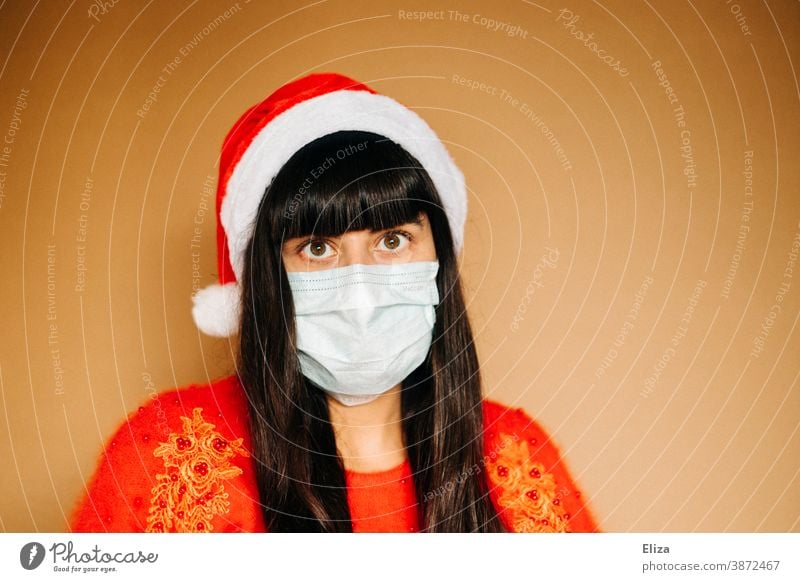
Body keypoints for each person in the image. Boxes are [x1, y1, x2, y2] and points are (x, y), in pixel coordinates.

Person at [69, 72, 599, 533]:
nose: (360, 288)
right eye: (317, 248)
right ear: (266, 279)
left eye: (392, 239)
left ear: (439, 260)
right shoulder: (162, 454)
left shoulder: (517, 457)